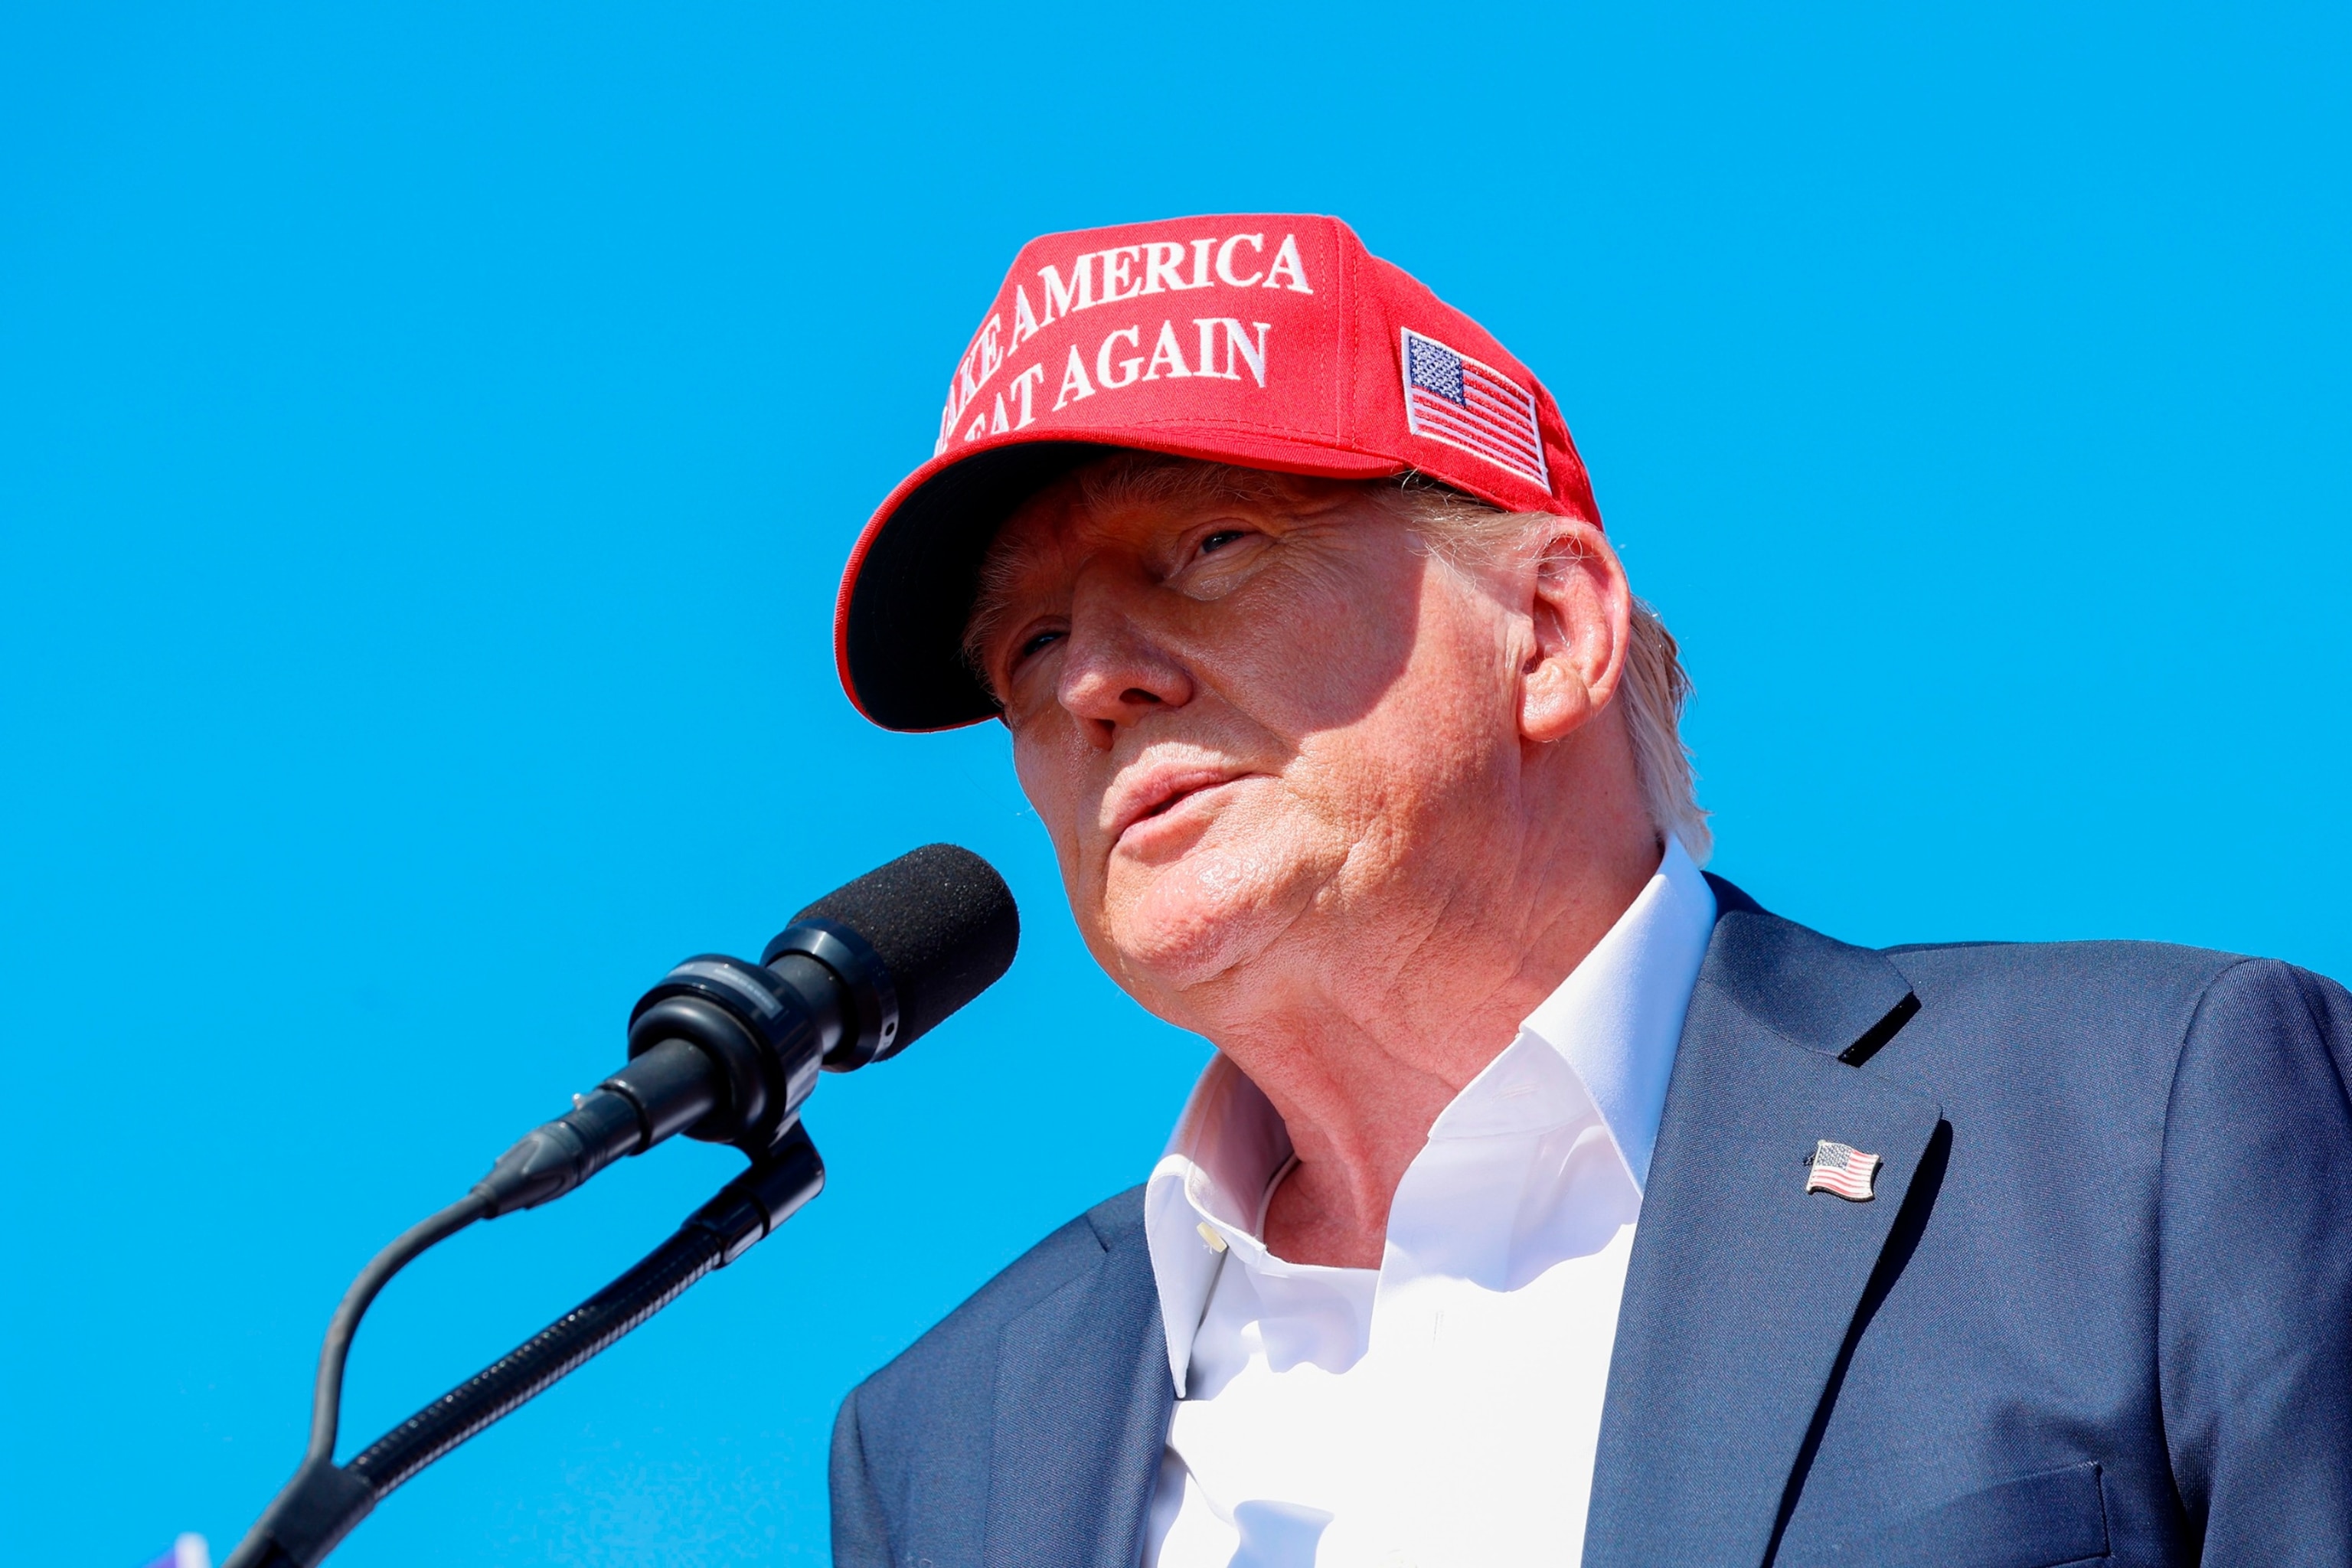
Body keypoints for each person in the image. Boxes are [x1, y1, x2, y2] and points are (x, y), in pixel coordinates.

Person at [822, 214, 2352, 1567]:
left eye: (1214, 545)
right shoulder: (949, 1439)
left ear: (1548, 630)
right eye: (1027, 645)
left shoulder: (2152, 1125)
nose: (1093, 679)